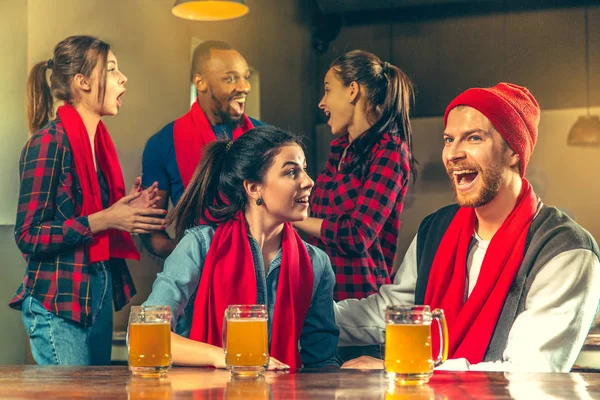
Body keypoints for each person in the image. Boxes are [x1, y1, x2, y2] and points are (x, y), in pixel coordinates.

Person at [334, 83, 600, 372]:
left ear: (513, 152)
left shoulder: (565, 249)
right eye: (449, 139)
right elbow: (394, 312)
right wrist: (303, 318)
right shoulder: (434, 230)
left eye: (473, 138)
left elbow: (529, 372)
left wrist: (402, 369)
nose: (453, 154)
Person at [10, 35, 167, 365]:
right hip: (58, 302)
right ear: (82, 82)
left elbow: (91, 212)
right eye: (111, 70)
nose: (122, 78)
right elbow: (27, 235)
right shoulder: (49, 143)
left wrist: (128, 207)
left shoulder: (98, 146)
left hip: (95, 292)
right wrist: (107, 219)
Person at [143, 126, 340, 369]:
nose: (309, 182)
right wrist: (226, 357)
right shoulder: (199, 247)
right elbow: (147, 336)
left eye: (305, 171)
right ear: (253, 187)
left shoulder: (315, 263)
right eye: (291, 172)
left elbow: (321, 362)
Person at [293, 50, 416, 302]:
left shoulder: (390, 150)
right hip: (323, 296)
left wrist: (289, 218)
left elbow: (357, 235)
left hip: (361, 302)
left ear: (352, 91)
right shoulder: (340, 150)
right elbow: (317, 218)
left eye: (327, 90)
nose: (321, 102)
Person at [141, 40, 266, 258]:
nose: (245, 87)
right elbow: (151, 229)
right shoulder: (162, 143)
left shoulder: (266, 137)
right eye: (230, 78)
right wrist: (188, 255)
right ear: (200, 82)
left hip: (259, 265)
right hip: (196, 275)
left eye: (245, 77)